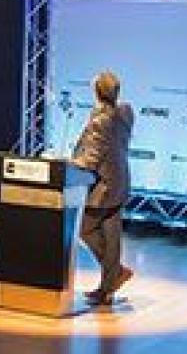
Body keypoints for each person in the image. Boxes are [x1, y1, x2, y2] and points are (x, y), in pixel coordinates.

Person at [71, 70, 135, 305]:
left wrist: (66, 162)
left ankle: (115, 273)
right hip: (120, 182)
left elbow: (90, 161)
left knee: (85, 228)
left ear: (97, 92)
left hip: (104, 187)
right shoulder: (125, 113)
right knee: (111, 235)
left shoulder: (100, 121)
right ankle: (107, 288)